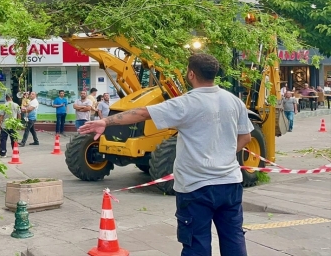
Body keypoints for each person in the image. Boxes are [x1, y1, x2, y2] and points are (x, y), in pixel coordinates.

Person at [79, 54, 252, 256]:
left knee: (197, 245)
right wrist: (223, 155)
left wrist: (105, 122)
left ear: (191, 73)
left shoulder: (186, 103)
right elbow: (246, 137)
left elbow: (143, 113)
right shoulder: (234, 102)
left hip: (196, 187)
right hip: (230, 184)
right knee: (234, 241)